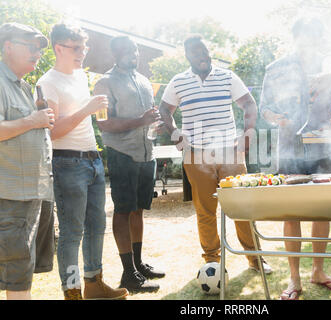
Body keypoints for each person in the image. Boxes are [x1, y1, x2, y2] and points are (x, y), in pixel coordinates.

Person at [159, 35, 273, 274]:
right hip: (196, 155)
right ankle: (212, 261)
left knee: (242, 207)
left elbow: (249, 104)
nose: (202, 55)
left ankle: (254, 259)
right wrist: (176, 133)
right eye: (196, 52)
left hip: (230, 152)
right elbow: (164, 109)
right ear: (187, 55)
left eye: (204, 51)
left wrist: (248, 132)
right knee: (205, 211)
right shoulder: (178, 81)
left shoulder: (227, 77)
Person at [259, 18, 331, 300]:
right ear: (295, 38)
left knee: (321, 210)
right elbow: (265, 107)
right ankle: (294, 278)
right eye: (305, 37)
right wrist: (276, 118)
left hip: (323, 148)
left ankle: (318, 271)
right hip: (289, 147)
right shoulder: (276, 69)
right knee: (292, 212)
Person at [37, 23, 128, 300]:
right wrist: (87, 109)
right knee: (72, 232)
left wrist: (93, 110)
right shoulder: (46, 82)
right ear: (58, 48)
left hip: (93, 161)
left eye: (84, 47)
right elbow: (52, 131)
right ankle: (72, 291)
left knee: (97, 226)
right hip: (67, 164)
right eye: (76, 48)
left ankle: (94, 284)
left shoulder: (78, 76)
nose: (82, 53)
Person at [93, 36, 165, 294]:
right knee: (123, 210)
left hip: (147, 153)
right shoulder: (104, 83)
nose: (131, 55)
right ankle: (127, 274)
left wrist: (154, 121)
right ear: (114, 53)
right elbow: (103, 123)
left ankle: (138, 264)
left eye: (134, 50)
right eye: (125, 51)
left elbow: (147, 117)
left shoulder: (144, 81)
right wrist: (140, 120)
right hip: (122, 154)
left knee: (138, 210)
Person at [0, 22, 54, 300]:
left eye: (38, 49)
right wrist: (33, 121)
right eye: (30, 47)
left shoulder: (23, 86)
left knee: (19, 270)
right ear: (8, 46)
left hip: (30, 193)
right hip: (9, 197)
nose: (37, 53)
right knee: (16, 273)